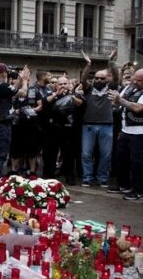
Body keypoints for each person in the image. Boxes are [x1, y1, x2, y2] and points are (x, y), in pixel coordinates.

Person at [0, 63, 30, 188]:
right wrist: (25, 81)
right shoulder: (2, 86)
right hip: (1, 125)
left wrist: (19, 78)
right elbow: (22, 93)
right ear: (4, 73)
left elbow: (10, 91)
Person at [79, 50, 119, 187]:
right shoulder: (89, 89)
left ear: (106, 79)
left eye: (102, 78)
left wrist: (111, 62)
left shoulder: (111, 88)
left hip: (106, 125)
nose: (99, 80)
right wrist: (88, 64)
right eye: (96, 78)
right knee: (86, 154)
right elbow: (83, 79)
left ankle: (102, 178)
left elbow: (116, 76)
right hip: (88, 125)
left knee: (106, 155)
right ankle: (87, 178)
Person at [108, 68, 143, 200]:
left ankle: (138, 190)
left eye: (139, 80)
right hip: (125, 129)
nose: (135, 82)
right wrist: (115, 101)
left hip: (140, 132)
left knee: (137, 163)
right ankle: (124, 185)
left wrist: (120, 100)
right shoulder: (129, 88)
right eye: (134, 79)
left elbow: (138, 108)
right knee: (121, 160)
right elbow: (117, 102)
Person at [43, 77, 83, 185]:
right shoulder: (51, 94)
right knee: (50, 153)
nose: (63, 86)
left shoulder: (74, 95)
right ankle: (49, 175)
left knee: (69, 154)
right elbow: (45, 102)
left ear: (69, 84)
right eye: (60, 84)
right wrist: (56, 94)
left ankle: (69, 175)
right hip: (53, 128)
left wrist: (71, 95)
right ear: (56, 86)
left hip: (68, 129)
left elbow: (81, 103)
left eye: (65, 83)